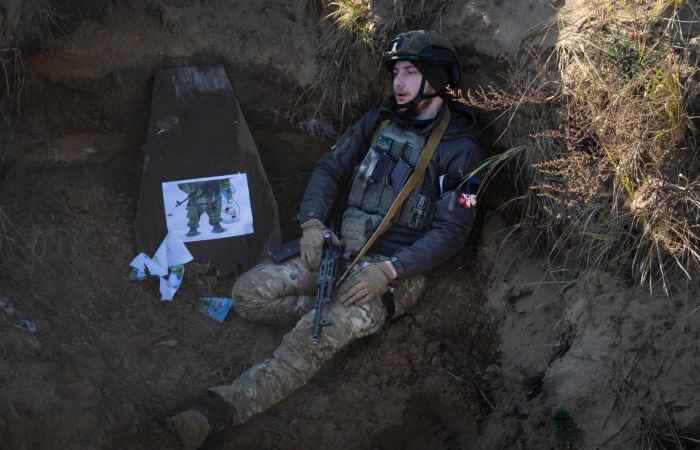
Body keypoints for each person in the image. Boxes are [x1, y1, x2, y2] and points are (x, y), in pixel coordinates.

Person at [166, 30, 486, 449]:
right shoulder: (379, 121)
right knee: (246, 295)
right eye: (395, 72)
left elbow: (453, 231)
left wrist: (389, 272)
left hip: (390, 271)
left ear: (437, 77)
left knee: (306, 341)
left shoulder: (461, 152)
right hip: (338, 250)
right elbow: (331, 169)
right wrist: (314, 224)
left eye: (411, 72)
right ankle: (336, 320)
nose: (398, 82)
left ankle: (213, 413)